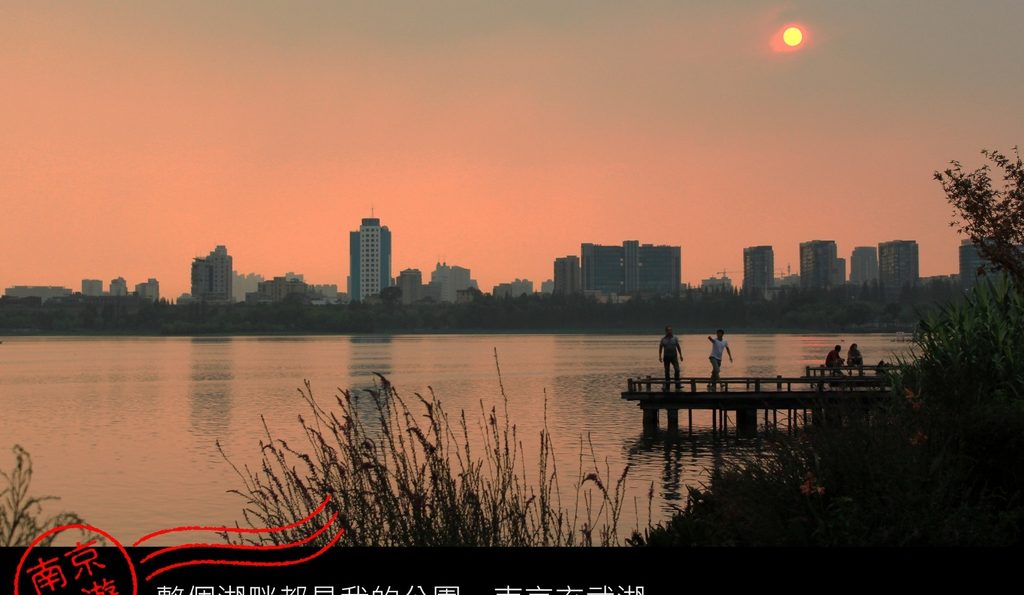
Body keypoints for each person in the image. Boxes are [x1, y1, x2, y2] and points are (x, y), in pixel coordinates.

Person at [659, 326, 683, 391]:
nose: (670, 332)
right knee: (667, 371)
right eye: (668, 330)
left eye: (670, 330)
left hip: (674, 356)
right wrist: (659, 356)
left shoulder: (675, 338)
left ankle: (677, 385)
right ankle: (667, 386)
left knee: (677, 369)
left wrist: (681, 355)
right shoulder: (663, 339)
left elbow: (678, 346)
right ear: (666, 331)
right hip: (666, 357)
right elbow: (660, 348)